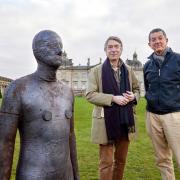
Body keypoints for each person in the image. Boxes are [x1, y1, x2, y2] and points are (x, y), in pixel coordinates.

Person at [0, 30, 79, 180]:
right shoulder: (18, 89)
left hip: (66, 175)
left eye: (60, 46)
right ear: (36, 51)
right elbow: (5, 143)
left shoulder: (67, 92)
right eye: (51, 45)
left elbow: (70, 137)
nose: (59, 50)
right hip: (34, 174)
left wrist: (77, 175)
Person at [86, 36, 140, 180]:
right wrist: (113, 98)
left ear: (121, 50)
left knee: (121, 162)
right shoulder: (96, 71)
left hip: (125, 121)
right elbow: (90, 95)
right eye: (110, 47)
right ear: (105, 50)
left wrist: (134, 97)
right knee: (106, 163)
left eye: (116, 46)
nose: (113, 49)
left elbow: (137, 89)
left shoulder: (128, 70)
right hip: (106, 122)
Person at [144, 28, 180, 180]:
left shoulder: (178, 59)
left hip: (174, 115)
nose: (157, 41)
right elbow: (147, 88)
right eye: (153, 39)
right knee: (162, 158)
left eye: (160, 38)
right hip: (153, 115)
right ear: (149, 44)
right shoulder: (147, 65)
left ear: (166, 40)